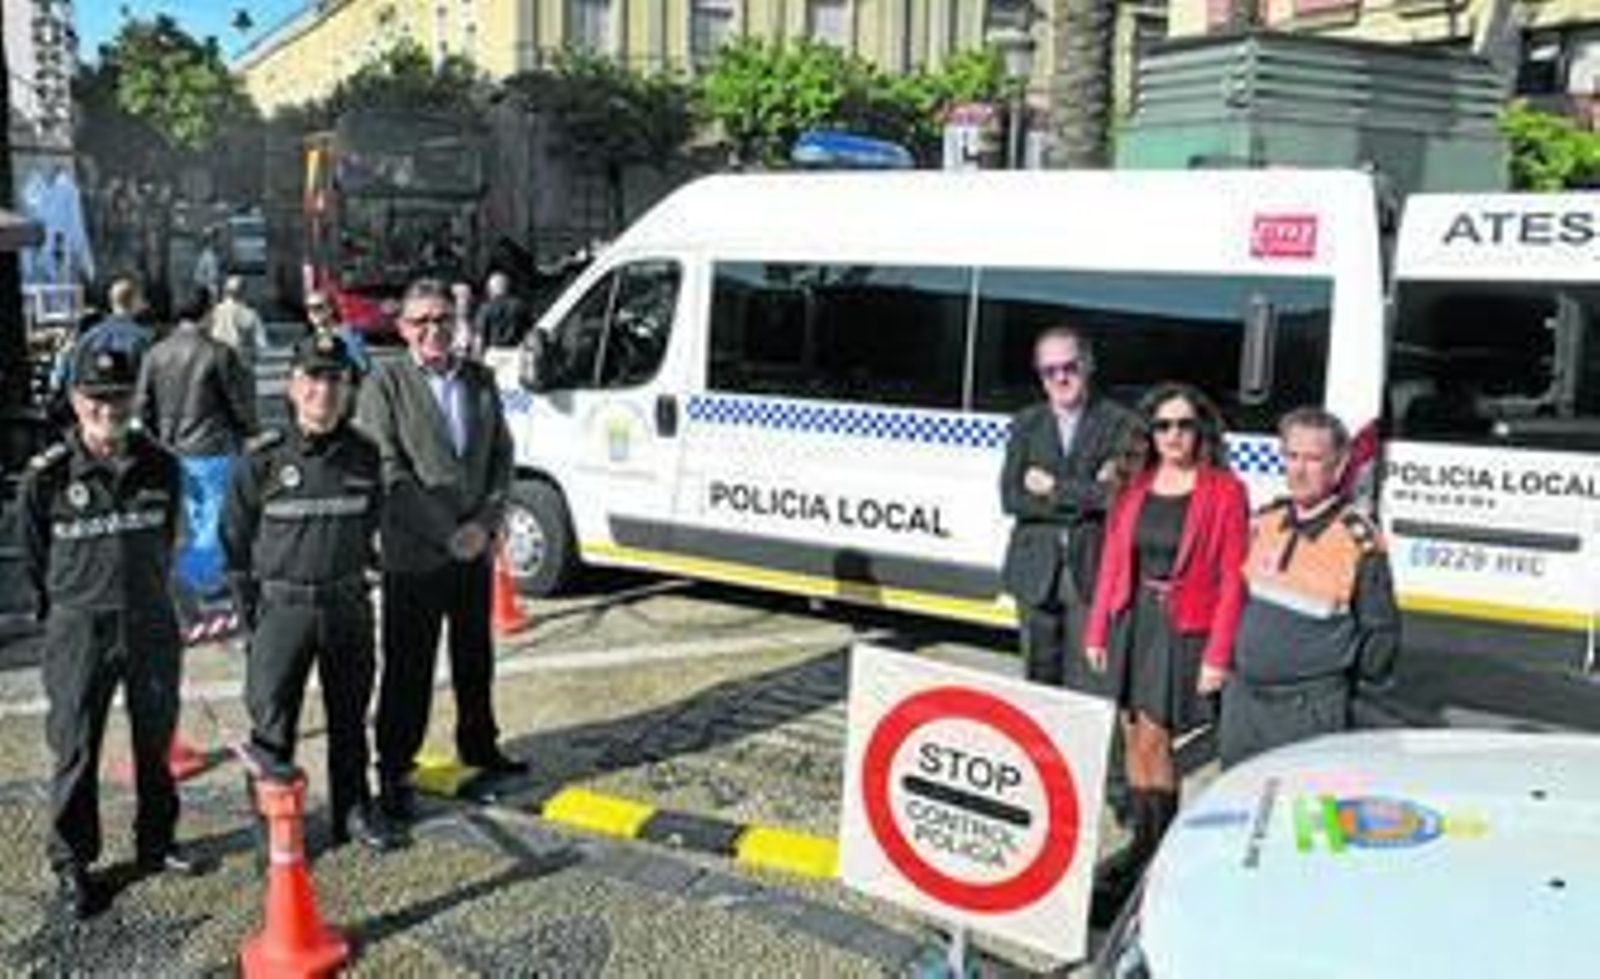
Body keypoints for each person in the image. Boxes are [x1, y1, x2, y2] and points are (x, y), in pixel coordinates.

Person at [19, 336, 203, 920]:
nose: (108, 410)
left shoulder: (162, 466)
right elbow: (33, 557)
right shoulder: (47, 478)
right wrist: (64, 611)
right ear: (75, 400)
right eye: (96, 398)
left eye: (119, 397)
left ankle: (157, 840)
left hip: (150, 623)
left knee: (156, 739)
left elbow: (168, 538)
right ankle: (73, 861)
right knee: (75, 746)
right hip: (79, 629)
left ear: (134, 398)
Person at [222, 332, 403, 852]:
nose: (324, 391)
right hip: (283, 609)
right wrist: (251, 620)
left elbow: (370, 523)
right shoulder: (263, 459)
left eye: (335, 380)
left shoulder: (365, 455)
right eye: (314, 379)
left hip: (346, 605)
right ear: (294, 386)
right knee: (273, 724)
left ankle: (353, 811)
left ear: (348, 388)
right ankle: (275, 829)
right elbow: (234, 542)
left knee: (350, 720)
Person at [355, 278, 523, 823]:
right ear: (402, 327)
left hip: (472, 550)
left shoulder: (478, 379)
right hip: (416, 552)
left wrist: (484, 522)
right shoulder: (385, 382)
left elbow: (502, 455)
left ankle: (479, 745)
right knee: (409, 667)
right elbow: (389, 469)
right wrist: (446, 531)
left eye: (442, 320)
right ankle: (394, 770)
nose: (433, 330)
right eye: (421, 321)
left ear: (457, 324)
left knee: (475, 656)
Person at [1083, 382, 1248, 912]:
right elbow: (1113, 559)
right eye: (1163, 425)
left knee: (1155, 739)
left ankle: (1157, 852)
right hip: (1134, 620)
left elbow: (1232, 578)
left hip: (1183, 627)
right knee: (1132, 735)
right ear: (1150, 433)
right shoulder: (1137, 484)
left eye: (1183, 425)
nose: (1173, 435)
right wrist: (1097, 630)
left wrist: (1218, 655)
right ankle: (1143, 847)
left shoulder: (1224, 490)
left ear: (1199, 429)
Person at [1218, 407, 1400, 769]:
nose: (1299, 470)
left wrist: (1345, 699)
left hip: (1308, 710)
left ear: (1339, 463)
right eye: (1292, 456)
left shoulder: (1358, 538)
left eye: (1314, 459)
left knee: (1304, 813)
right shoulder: (1265, 521)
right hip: (1244, 702)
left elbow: (1381, 636)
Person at [1001, 327, 1139, 692]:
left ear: (1088, 364)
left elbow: (1118, 498)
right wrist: (1086, 495)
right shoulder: (1026, 423)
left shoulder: (1120, 422)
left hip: (1090, 570)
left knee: (1089, 682)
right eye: (1049, 370)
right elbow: (1011, 497)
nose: (1061, 377)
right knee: (1039, 683)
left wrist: (1053, 488)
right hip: (1035, 571)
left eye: (1069, 367)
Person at [136, 290, 258, 603]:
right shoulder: (218, 353)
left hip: (171, 447)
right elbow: (238, 402)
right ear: (208, 313)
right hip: (212, 445)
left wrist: (155, 441)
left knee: (189, 519)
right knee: (212, 518)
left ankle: (193, 579)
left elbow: (142, 406)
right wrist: (251, 431)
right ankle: (206, 583)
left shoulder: (155, 353)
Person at [305, 291, 371, 376]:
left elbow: (363, 366)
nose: (312, 312)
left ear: (330, 309)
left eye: (318, 307)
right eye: (308, 308)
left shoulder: (348, 334)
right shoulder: (310, 339)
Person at [209, 274, 263, 378]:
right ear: (243, 292)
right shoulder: (249, 314)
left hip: (216, 360)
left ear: (226, 291)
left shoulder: (215, 311)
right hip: (240, 361)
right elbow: (260, 341)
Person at [475, 271, 529, 349]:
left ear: (490, 289)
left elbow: (480, 335)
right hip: (515, 352)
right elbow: (527, 331)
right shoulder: (520, 306)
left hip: (493, 352)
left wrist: (478, 354)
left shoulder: (485, 308)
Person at [450, 280, 482, 360]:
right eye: (459, 297)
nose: (463, 301)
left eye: (467, 297)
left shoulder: (477, 322)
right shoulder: (444, 325)